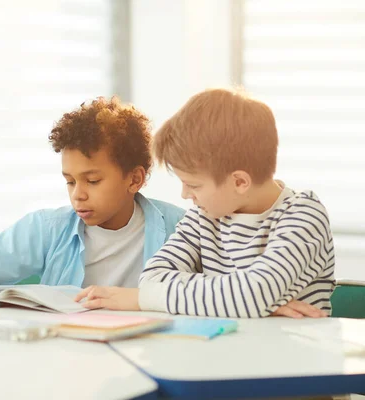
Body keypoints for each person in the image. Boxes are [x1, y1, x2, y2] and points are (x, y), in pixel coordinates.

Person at [75, 89, 335, 319]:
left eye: (194, 185)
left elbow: (254, 296)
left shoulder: (303, 215)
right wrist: (250, 303)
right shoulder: (204, 217)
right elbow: (151, 279)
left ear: (240, 182)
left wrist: (253, 300)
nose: (185, 195)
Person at [0, 97, 185, 290]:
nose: (78, 195)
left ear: (135, 179)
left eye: (92, 181)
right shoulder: (47, 229)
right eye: (70, 182)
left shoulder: (181, 229)